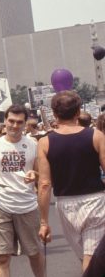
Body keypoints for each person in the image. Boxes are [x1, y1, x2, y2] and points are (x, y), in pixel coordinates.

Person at [37, 90, 105, 273]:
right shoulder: (96, 136)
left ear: (55, 113)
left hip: (65, 205)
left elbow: (44, 184)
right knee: (91, 259)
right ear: (78, 112)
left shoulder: (44, 142)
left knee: (87, 257)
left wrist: (43, 222)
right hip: (95, 203)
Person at [0, 105, 45, 277]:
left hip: (27, 207)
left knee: (33, 253)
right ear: (5, 121)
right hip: (1, 206)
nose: (14, 126)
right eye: (11, 121)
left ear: (25, 124)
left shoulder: (33, 144)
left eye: (19, 122)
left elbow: (41, 174)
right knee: (2, 258)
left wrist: (35, 174)